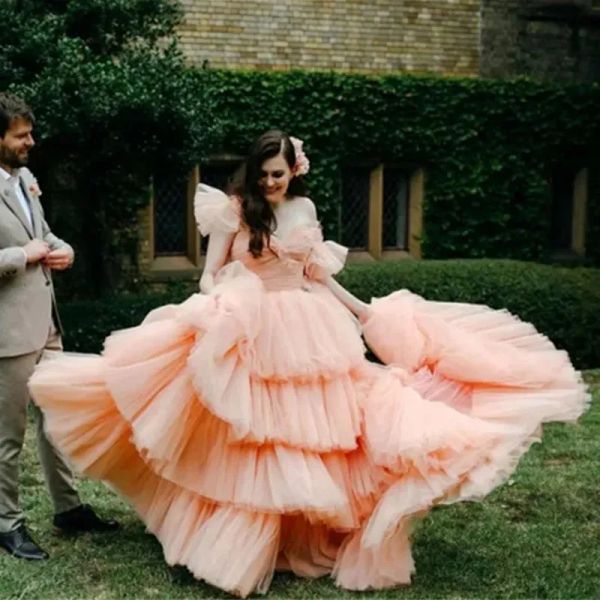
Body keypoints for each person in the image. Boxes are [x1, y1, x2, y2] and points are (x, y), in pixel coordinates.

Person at [29, 130, 588, 595]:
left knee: (315, 435)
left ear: (294, 171)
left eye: (279, 173)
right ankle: (241, 539)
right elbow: (209, 270)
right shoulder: (232, 211)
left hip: (309, 328)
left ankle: (297, 536)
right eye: (263, 173)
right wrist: (219, 298)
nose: (270, 182)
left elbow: (317, 273)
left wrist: (364, 311)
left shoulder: (306, 208)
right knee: (254, 437)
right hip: (251, 320)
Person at [0, 92, 119, 561]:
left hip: (46, 321)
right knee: (8, 436)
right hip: (7, 334)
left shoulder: (26, 178)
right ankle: (6, 523)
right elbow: (20, 251)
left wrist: (59, 246)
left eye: (30, 132)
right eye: (21, 135)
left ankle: (68, 508)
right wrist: (20, 257)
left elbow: (41, 234)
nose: (32, 141)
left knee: (57, 419)